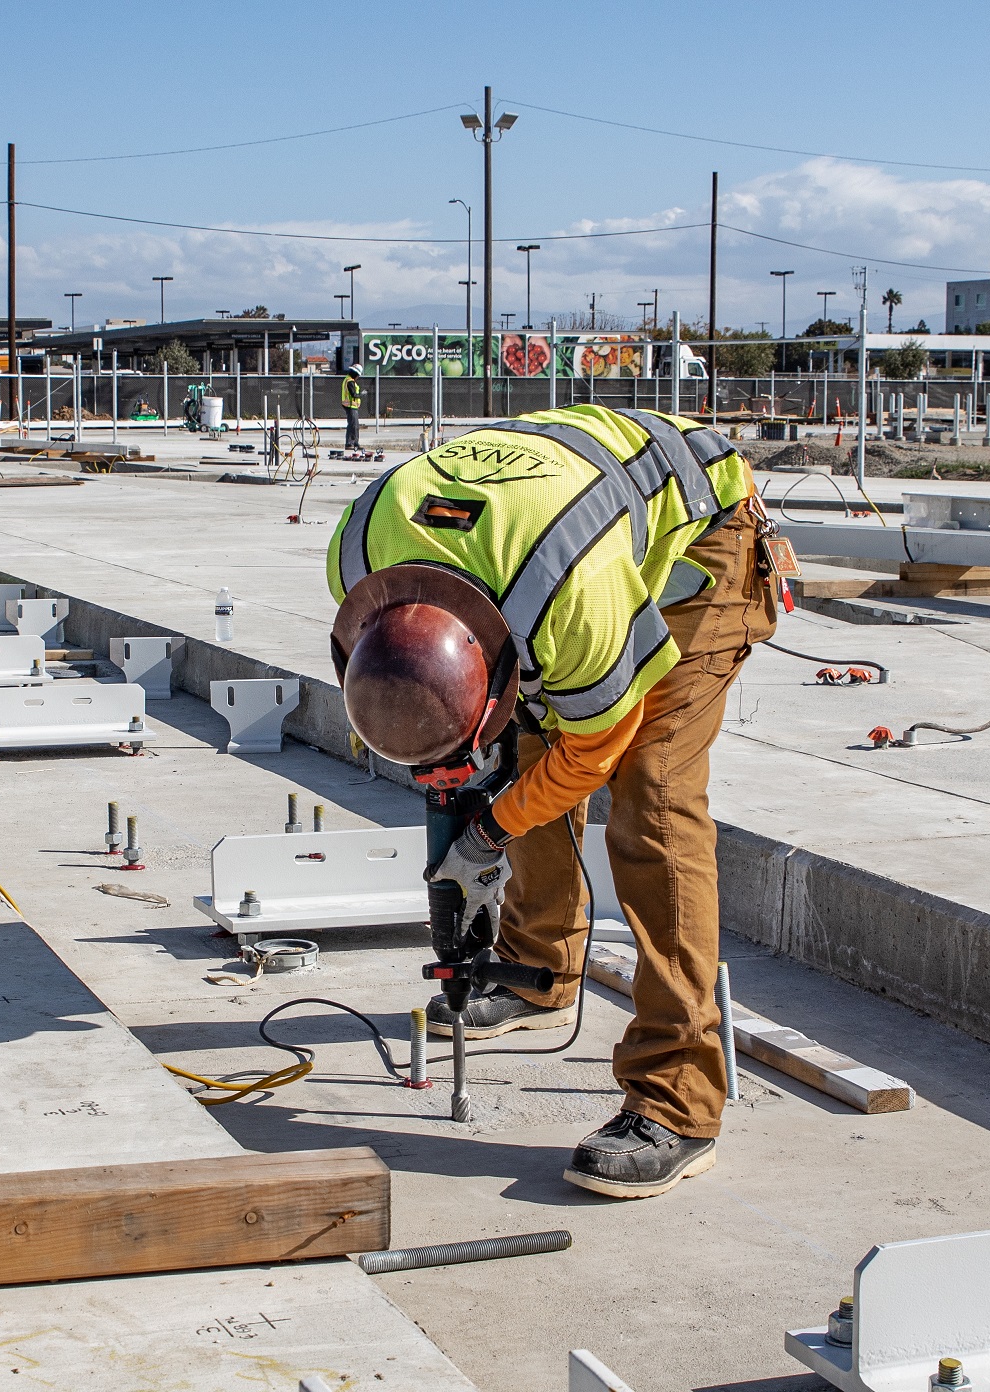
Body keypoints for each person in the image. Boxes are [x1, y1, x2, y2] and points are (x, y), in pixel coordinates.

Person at [328, 403, 775, 1199]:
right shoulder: (359, 556)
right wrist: (475, 796)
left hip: (702, 547)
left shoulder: (568, 595)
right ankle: (538, 967)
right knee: (519, 753)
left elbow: (591, 749)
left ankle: (679, 1101)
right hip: (560, 541)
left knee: (652, 798)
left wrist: (487, 831)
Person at [340, 364, 363, 450]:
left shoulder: (348, 380)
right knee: (353, 425)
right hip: (350, 405)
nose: (358, 377)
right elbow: (353, 394)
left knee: (354, 425)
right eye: (358, 375)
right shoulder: (350, 381)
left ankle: (355, 443)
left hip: (352, 406)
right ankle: (350, 443)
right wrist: (361, 394)